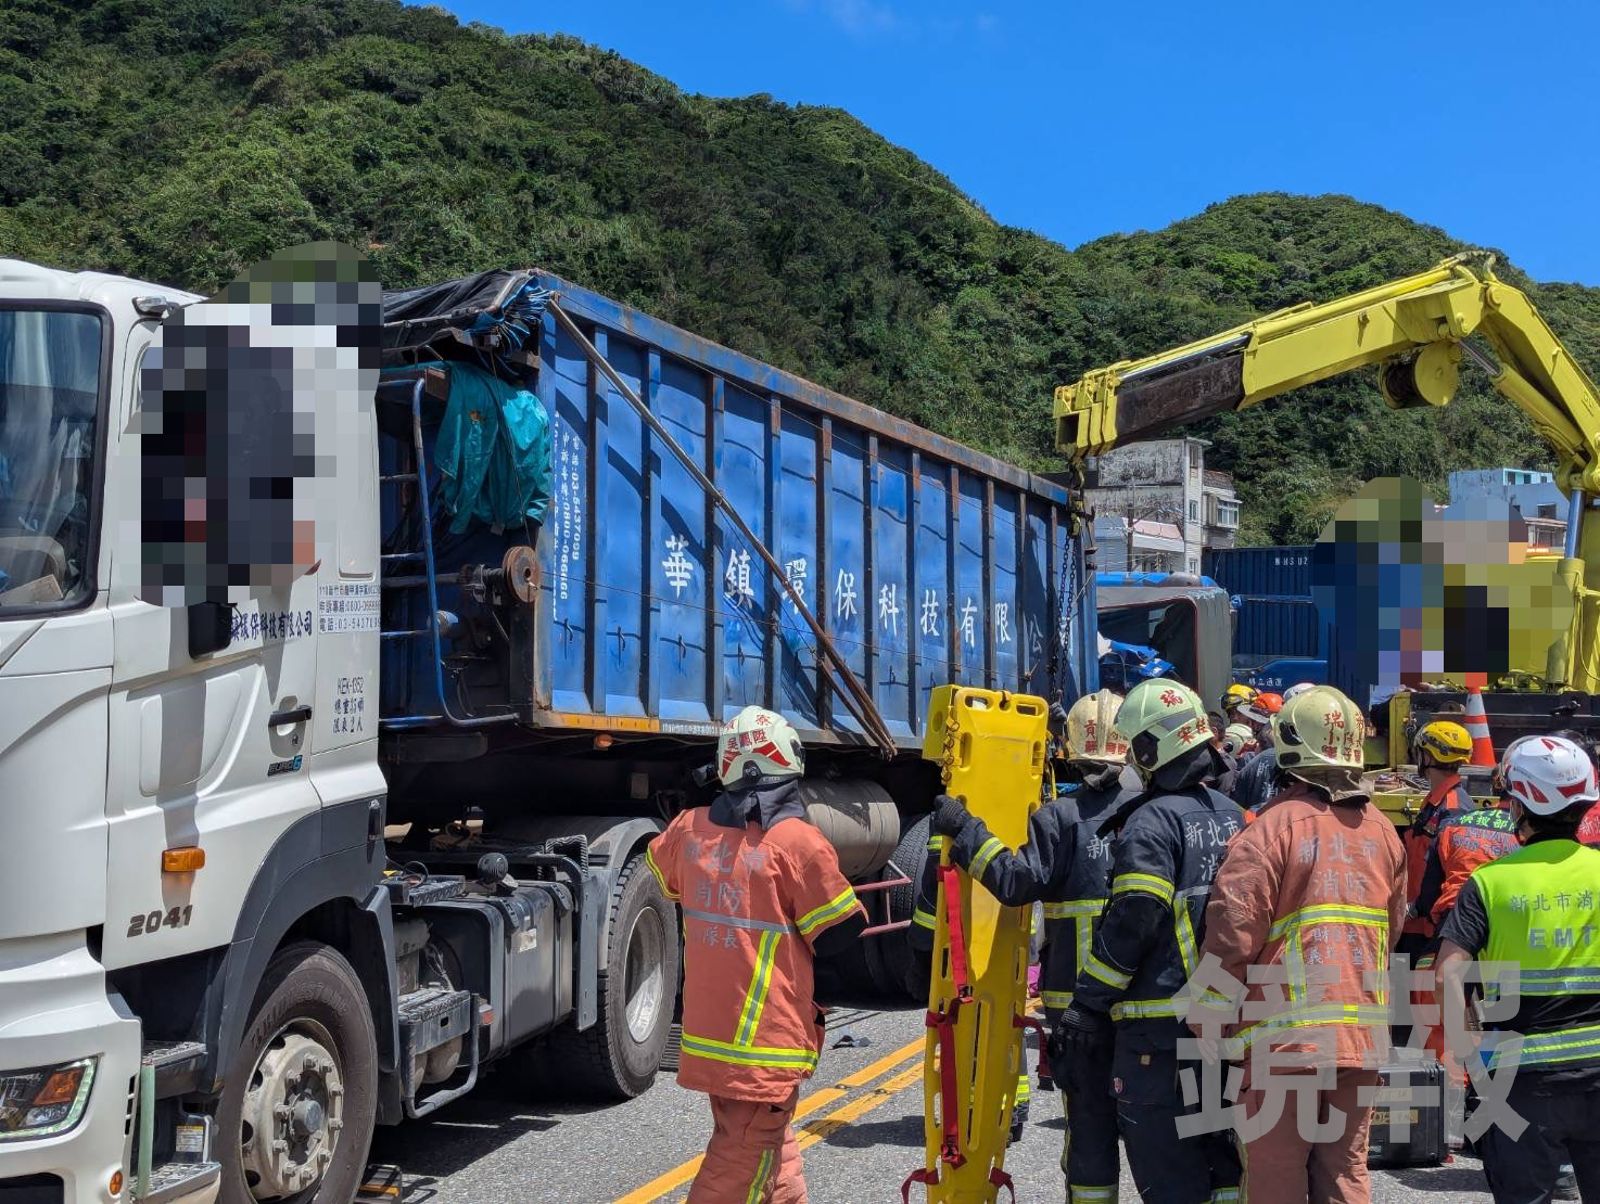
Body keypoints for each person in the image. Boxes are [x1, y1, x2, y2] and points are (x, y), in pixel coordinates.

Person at [927, 688, 1142, 1202]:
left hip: (1077, 1011)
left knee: (1089, 1132)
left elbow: (1015, 881)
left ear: (1071, 751)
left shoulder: (1060, 819)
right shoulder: (1152, 814)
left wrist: (966, 830)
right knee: (1157, 1131)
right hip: (1144, 1008)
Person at [647, 705, 865, 1204]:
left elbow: (664, 874)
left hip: (712, 1035)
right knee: (742, 1157)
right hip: (765, 1041)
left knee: (769, 1145)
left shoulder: (688, 829)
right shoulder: (795, 841)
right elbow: (839, 934)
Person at [1198, 686, 1406, 1204]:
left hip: (1284, 1044)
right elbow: (1391, 930)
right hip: (1360, 1037)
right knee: (1345, 1170)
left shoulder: (1270, 830)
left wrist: (1207, 1020)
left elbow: (1232, 935)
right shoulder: (1384, 833)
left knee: (1276, 1171)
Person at [1052, 678, 1244, 1204]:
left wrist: (1088, 1004)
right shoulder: (1227, 814)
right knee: (1219, 1162)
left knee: (1171, 1175)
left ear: (1149, 749)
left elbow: (1136, 917)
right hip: (1218, 1022)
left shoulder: (1151, 821)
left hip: (1158, 1034)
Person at [1435, 736, 1600, 1203]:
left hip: (1520, 1079)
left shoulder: (1491, 882)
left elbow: (1447, 975)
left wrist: (1470, 1055)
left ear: (1521, 804)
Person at [1398, 720, 1476, 960]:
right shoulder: (1438, 801)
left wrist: (1418, 908)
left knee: (1412, 983)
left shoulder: (1453, 809)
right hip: (1416, 922)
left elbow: (1452, 871)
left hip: (1427, 928)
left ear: (1427, 756)